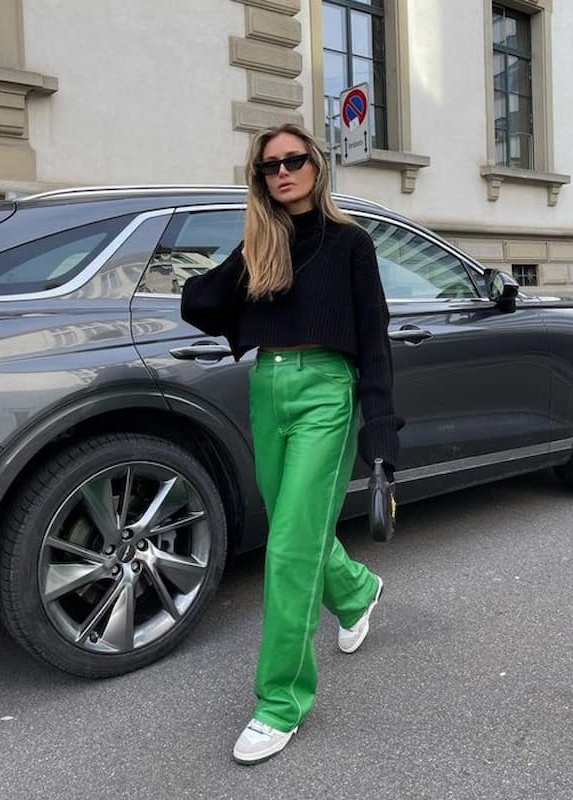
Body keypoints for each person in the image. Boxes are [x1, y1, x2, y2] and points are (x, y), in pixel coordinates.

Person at [180, 123, 404, 765]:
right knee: (294, 528)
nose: (282, 173)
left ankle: (280, 701)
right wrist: (253, 242)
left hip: (326, 391)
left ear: (317, 165)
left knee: (287, 550)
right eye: (268, 167)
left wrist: (381, 432)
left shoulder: (350, 244)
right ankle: (358, 591)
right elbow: (201, 304)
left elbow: (374, 337)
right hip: (266, 386)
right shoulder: (262, 244)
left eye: (293, 160)